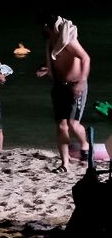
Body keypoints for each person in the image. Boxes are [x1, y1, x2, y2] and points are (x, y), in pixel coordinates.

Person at [36, 14, 91, 173]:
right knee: (61, 126)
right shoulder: (51, 41)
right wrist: (46, 70)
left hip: (75, 85)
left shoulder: (68, 40)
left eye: (42, 27)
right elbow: (57, 61)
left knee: (73, 124)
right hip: (59, 86)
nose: (41, 30)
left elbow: (85, 58)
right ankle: (65, 164)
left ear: (47, 26)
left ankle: (85, 144)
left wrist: (81, 81)